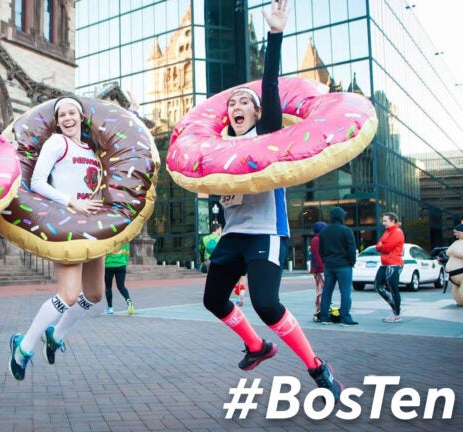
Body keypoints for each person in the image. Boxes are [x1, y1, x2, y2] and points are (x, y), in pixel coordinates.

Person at [200, 0, 342, 401]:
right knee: (213, 299)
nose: (237, 106)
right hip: (233, 234)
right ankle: (257, 345)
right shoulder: (217, 150)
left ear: (257, 111)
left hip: (265, 231)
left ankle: (317, 366)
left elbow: (271, 87)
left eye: (245, 102)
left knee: (266, 302)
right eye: (232, 103)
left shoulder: (267, 136)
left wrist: (275, 35)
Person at [8, 95, 104, 381]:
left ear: (81, 117)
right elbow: (37, 182)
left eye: (72, 113)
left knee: (94, 294)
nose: (67, 118)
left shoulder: (93, 150)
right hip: (66, 224)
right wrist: (71, 202)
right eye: (62, 115)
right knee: (69, 294)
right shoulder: (56, 143)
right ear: (58, 121)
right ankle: (23, 347)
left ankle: (55, 336)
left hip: (93, 226)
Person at [317, 208, 358, 326]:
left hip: (329, 266)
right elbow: (351, 249)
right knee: (345, 292)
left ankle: (324, 317)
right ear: (341, 217)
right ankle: (345, 318)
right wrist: (351, 262)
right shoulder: (346, 231)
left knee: (327, 291)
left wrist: (325, 261)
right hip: (344, 265)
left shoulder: (324, 231)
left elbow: (321, 250)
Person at [374, 212, 405, 323]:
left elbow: (386, 248)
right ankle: (396, 307)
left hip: (394, 264)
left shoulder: (397, 232)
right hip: (385, 264)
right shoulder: (387, 232)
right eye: (383, 221)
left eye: (385, 221)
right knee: (378, 287)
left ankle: (397, 314)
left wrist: (382, 245)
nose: (383, 223)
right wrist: (382, 245)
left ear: (393, 221)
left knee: (393, 289)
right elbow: (377, 247)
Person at [103, 242, 134, 315]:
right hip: (121, 265)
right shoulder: (124, 241)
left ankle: (110, 308)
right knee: (121, 287)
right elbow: (127, 254)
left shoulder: (108, 240)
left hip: (109, 265)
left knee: (108, 287)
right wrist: (124, 262)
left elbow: (103, 254)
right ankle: (129, 300)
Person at [310, 221, 326, 321]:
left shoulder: (318, 239)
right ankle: (319, 311)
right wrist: (322, 267)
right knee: (320, 290)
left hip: (318, 268)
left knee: (321, 290)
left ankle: (320, 311)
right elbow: (317, 255)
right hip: (318, 269)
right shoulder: (316, 240)